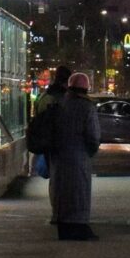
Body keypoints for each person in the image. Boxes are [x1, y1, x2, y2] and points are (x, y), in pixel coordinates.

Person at [50, 72, 101, 241]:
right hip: (79, 156)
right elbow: (93, 136)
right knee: (79, 193)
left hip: (59, 156)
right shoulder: (87, 107)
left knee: (62, 192)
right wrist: (90, 151)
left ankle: (63, 228)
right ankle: (80, 227)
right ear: (86, 89)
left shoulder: (60, 103)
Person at [34, 66, 71, 223]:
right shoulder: (66, 99)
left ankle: (56, 211)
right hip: (63, 144)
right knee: (65, 179)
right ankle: (63, 212)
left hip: (48, 143)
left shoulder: (44, 97)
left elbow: (37, 119)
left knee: (54, 179)